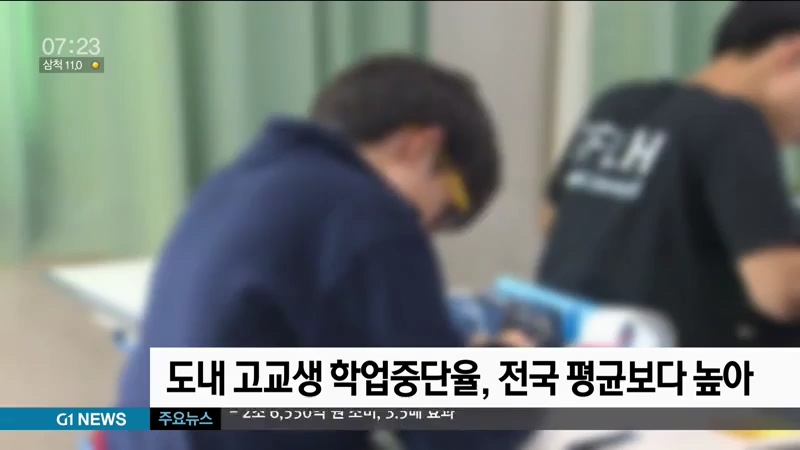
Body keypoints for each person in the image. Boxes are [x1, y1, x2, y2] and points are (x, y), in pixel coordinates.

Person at [105, 55, 536, 450]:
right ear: (418, 146)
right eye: (448, 207)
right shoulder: (370, 216)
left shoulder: (241, 180)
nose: (429, 228)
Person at [537, 1, 800, 348]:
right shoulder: (735, 124)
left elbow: (551, 220)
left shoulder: (617, 104)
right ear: (792, 54)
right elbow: (778, 293)